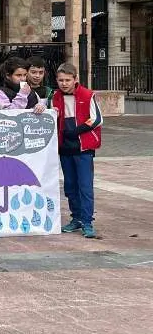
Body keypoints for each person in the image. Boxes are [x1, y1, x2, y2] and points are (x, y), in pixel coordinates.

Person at [53, 63, 102, 239]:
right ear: (56, 80)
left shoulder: (88, 95)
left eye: (68, 80)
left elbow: (96, 119)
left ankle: (87, 222)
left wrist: (77, 131)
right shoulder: (55, 96)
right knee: (70, 186)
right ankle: (76, 218)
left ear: (75, 79)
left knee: (85, 186)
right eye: (61, 80)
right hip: (65, 148)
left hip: (83, 148)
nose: (64, 83)